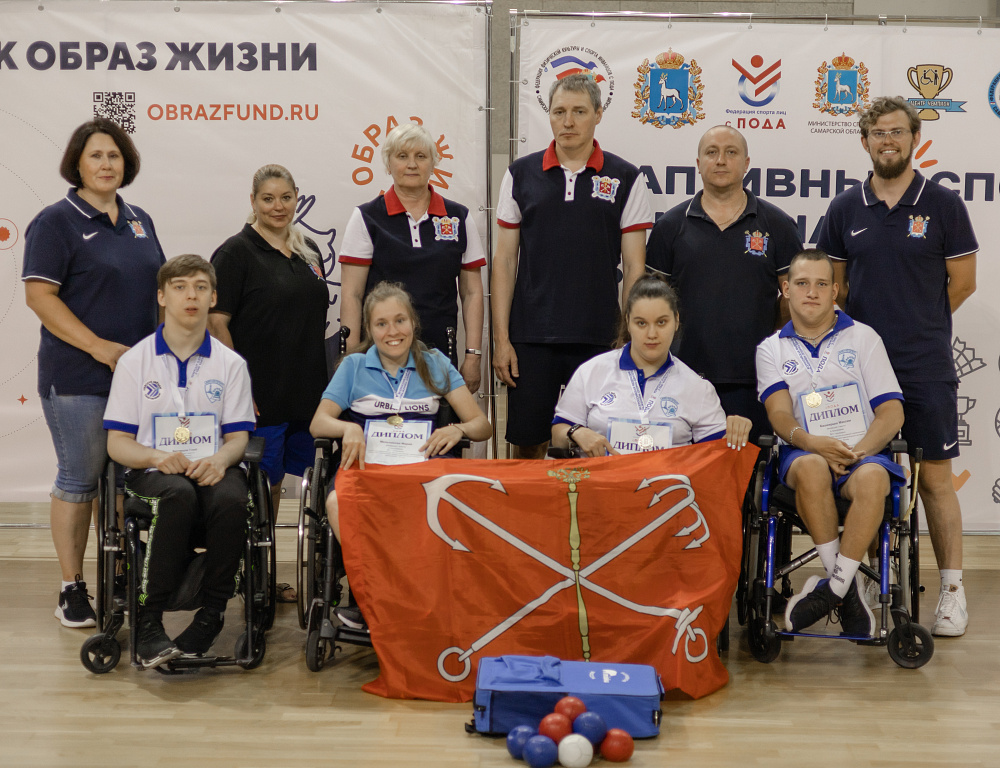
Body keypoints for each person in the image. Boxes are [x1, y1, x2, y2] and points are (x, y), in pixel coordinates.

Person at [816, 96, 978, 637]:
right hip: (857, 373)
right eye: (878, 133)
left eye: (897, 132)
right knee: (863, 474)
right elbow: (835, 288)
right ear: (865, 141)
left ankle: (952, 591)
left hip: (924, 365)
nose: (888, 141)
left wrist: (918, 322)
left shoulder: (944, 204)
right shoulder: (845, 207)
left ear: (914, 139)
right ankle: (865, 579)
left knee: (935, 481)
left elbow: (963, 283)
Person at [22, 118, 165, 629]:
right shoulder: (55, 221)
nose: (106, 164)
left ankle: (121, 573)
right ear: (77, 164)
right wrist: (99, 348)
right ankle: (72, 588)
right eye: (96, 155)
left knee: (128, 480)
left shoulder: (140, 220)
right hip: (78, 379)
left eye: (114, 155)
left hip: (138, 380)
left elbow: (160, 291)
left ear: (127, 163)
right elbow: (39, 297)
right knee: (80, 480)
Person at [310, 281, 491, 630]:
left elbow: (481, 425)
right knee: (336, 502)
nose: (392, 332)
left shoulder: (435, 363)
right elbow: (319, 423)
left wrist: (458, 429)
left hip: (423, 468)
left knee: (447, 499)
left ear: (413, 323)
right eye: (381, 323)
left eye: (399, 321)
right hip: (369, 467)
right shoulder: (353, 366)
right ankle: (377, 597)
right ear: (369, 329)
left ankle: (416, 597)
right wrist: (347, 429)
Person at [103, 255, 255, 669]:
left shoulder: (230, 364)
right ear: (162, 297)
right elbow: (117, 443)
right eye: (180, 287)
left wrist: (221, 459)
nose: (191, 295)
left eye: (201, 287)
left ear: (213, 298)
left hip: (212, 465)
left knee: (232, 499)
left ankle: (211, 616)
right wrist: (155, 455)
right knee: (178, 493)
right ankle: (149, 623)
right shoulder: (135, 362)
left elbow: (238, 438)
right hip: (153, 471)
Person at [493, 73, 653, 459]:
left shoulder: (626, 177)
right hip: (531, 336)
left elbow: (635, 267)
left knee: (597, 443)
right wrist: (501, 340)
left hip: (601, 336)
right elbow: (504, 262)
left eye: (579, 111)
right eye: (559, 111)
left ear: (598, 114)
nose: (568, 121)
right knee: (527, 445)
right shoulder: (520, 174)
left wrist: (628, 336)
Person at [756, 250, 905, 637]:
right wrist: (813, 444)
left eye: (822, 284)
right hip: (804, 452)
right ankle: (848, 592)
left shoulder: (864, 338)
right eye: (802, 283)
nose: (812, 292)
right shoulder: (771, 349)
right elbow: (779, 414)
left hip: (862, 452)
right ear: (786, 288)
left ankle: (834, 588)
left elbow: (892, 413)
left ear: (835, 291)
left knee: (874, 478)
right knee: (811, 467)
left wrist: (857, 453)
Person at [645, 125, 802, 444]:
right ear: (698, 163)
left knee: (747, 470)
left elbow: (796, 298)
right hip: (681, 377)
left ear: (746, 163)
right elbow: (651, 304)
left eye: (731, 152)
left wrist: (770, 334)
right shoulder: (670, 226)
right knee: (685, 469)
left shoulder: (778, 225)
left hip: (754, 379)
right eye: (711, 152)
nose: (720, 160)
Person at [209, 165, 329, 550]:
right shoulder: (235, 253)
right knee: (265, 486)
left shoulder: (309, 250)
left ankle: (310, 567)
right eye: (268, 198)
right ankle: (257, 568)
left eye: (285, 198)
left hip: (308, 393)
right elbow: (215, 322)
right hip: (262, 395)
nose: (278, 206)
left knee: (318, 483)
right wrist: (239, 387)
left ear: (296, 198)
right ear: (253, 201)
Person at [338, 123, 486, 392]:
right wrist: (351, 361)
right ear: (388, 164)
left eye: (421, 156)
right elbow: (352, 294)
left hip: (440, 355)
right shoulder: (366, 218)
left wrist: (473, 355)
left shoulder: (459, 217)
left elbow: (473, 293)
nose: (412, 164)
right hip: (379, 356)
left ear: (433, 163)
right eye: (402, 156)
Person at [552, 275, 751, 457]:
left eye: (661, 322)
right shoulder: (592, 371)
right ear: (628, 322)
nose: (652, 334)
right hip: (600, 482)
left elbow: (717, 455)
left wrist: (735, 432)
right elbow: (557, 434)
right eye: (641, 323)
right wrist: (575, 432)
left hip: (668, 484)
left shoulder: (698, 388)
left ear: (676, 321)